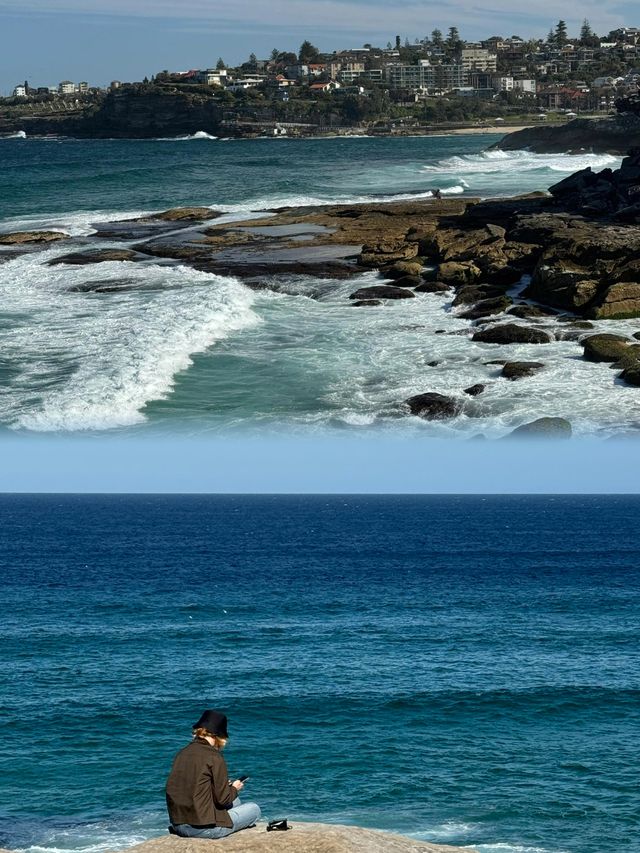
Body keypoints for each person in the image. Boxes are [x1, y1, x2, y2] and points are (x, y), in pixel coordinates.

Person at [166, 709, 261, 839]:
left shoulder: (182, 753)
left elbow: (191, 786)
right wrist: (234, 788)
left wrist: (219, 786)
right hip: (203, 829)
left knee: (236, 802)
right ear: (218, 736)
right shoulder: (214, 756)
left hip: (179, 825)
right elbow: (223, 800)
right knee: (254, 809)